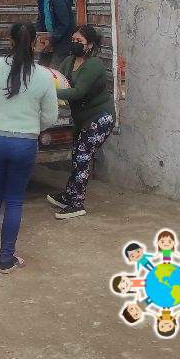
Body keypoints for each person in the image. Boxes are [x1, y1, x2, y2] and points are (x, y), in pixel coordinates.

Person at [0, 22, 59, 273]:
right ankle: (7, 259)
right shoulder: (43, 75)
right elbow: (50, 117)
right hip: (24, 143)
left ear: (9, 41)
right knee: (14, 201)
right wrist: (31, 126)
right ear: (34, 43)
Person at [47, 24, 115, 219]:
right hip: (83, 119)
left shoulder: (94, 65)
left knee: (82, 158)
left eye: (80, 42)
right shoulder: (69, 61)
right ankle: (69, 196)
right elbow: (58, 79)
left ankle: (76, 203)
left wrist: (49, 92)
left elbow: (78, 92)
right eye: (73, 40)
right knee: (77, 155)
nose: (75, 44)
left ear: (90, 45)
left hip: (99, 118)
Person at [33, 0, 75, 64]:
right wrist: (37, 35)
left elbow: (64, 24)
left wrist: (51, 40)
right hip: (47, 41)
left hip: (61, 45)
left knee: (55, 72)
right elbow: (41, 18)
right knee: (43, 70)